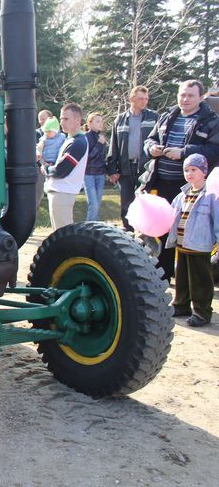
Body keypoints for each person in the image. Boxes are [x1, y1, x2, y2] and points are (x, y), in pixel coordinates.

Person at [139, 79, 219, 282]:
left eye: (190, 95)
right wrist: (152, 149)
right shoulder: (167, 116)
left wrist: (183, 153)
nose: (185, 99)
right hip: (161, 181)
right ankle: (165, 275)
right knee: (164, 230)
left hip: (190, 188)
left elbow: (214, 151)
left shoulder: (211, 121)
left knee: (188, 234)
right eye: (182, 94)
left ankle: (190, 281)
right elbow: (149, 140)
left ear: (201, 98)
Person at [166, 153, 219, 327]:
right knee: (181, 278)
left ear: (204, 171)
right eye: (186, 170)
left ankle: (202, 312)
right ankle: (181, 305)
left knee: (200, 280)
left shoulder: (211, 196)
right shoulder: (182, 195)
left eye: (193, 169)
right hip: (182, 245)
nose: (189, 173)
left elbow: (217, 221)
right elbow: (170, 214)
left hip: (200, 246)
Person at [107, 86, 159, 231]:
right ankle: (128, 234)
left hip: (146, 169)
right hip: (125, 169)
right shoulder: (120, 120)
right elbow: (114, 145)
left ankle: (146, 234)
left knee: (145, 203)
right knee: (126, 204)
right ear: (132, 99)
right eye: (140, 98)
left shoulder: (154, 117)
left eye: (146, 98)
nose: (144, 101)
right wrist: (112, 169)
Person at [43, 103, 88, 230]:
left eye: (66, 118)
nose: (62, 122)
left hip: (63, 191)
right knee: (61, 234)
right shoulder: (72, 140)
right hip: (62, 191)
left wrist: (46, 168)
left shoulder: (78, 142)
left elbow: (61, 170)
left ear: (78, 120)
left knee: (62, 235)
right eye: (61, 118)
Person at [35, 116, 64, 208]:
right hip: (45, 161)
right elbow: (39, 147)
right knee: (44, 183)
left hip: (56, 162)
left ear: (55, 130)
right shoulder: (44, 139)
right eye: (45, 131)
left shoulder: (62, 138)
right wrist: (39, 152)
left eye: (49, 132)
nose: (46, 133)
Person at [83, 113, 108, 221]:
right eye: (97, 121)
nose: (100, 124)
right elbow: (88, 157)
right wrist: (98, 144)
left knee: (97, 203)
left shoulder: (101, 137)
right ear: (89, 123)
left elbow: (103, 157)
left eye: (101, 121)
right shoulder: (85, 137)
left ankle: (95, 226)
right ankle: (90, 228)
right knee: (93, 204)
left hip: (100, 174)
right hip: (89, 174)